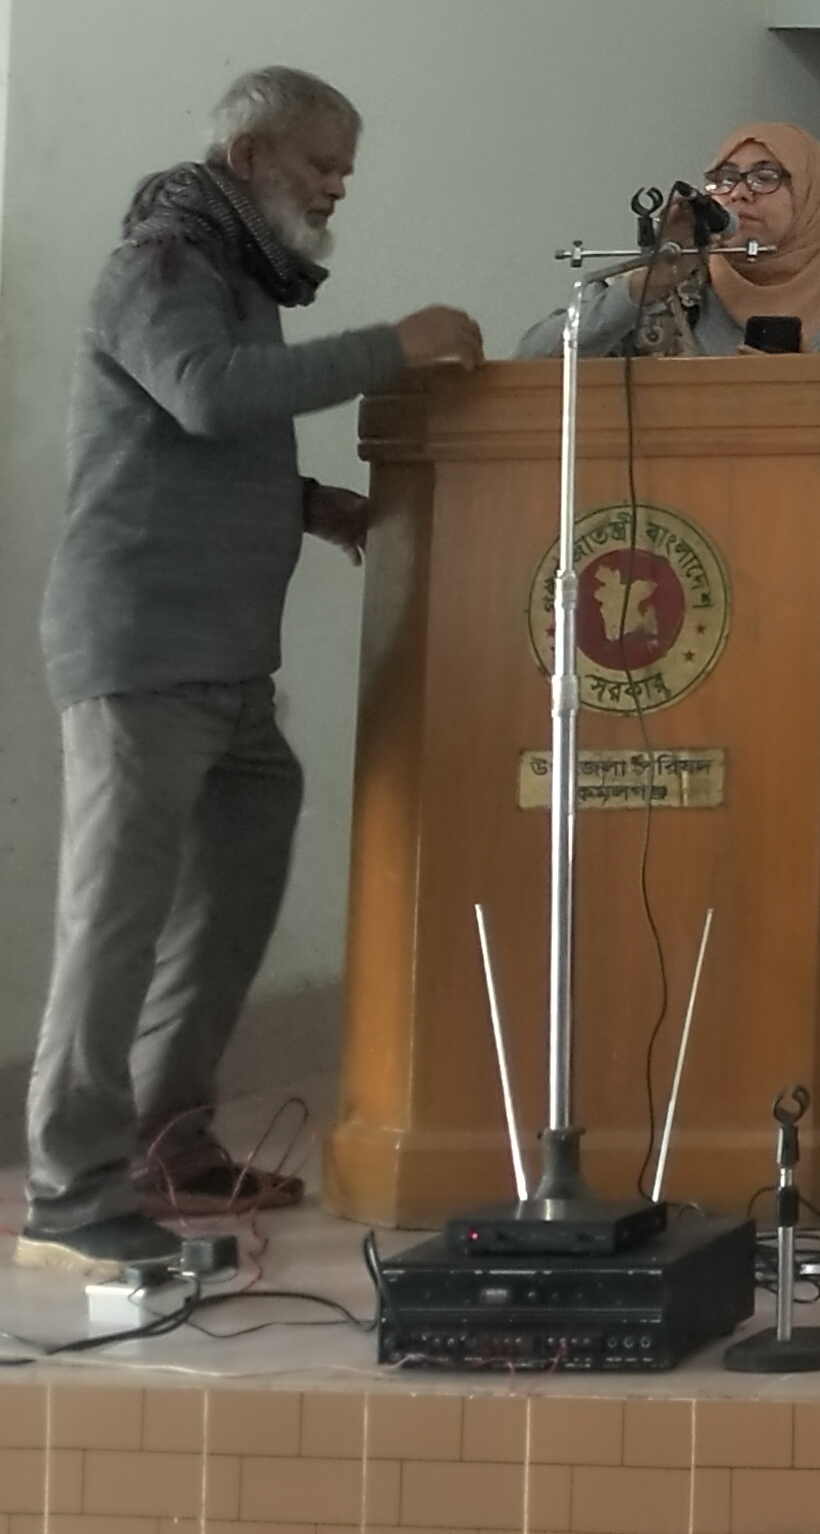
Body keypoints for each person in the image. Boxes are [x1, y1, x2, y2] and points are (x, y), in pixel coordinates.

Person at [23, 69, 484, 1277]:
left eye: (345, 170)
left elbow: (182, 450)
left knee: (227, 895)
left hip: (225, 663)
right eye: (320, 164)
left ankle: (167, 1145)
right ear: (247, 156)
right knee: (113, 926)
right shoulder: (163, 262)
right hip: (142, 656)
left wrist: (310, 504)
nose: (337, 188)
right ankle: (70, 1195)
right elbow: (203, 396)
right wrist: (393, 348)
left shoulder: (239, 273)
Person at [518, 124, 820, 356]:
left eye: (765, 177)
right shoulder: (661, 290)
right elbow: (531, 358)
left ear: (811, 196)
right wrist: (651, 281)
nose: (738, 193)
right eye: (726, 178)